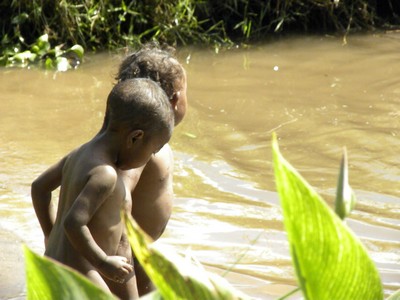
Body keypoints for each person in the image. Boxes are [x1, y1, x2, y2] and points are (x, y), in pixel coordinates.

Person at [32, 78, 174, 299]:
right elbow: (74, 223)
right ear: (135, 138)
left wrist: (51, 235)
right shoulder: (105, 174)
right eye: (154, 150)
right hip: (83, 267)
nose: (152, 156)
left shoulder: (79, 154)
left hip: (59, 259)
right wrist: (103, 262)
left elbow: (39, 188)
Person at [111, 43, 188, 296]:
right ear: (176, 99)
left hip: (138, 252)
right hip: (125, 257)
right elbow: (117, 202)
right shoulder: (143, 150)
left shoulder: (138, 140)